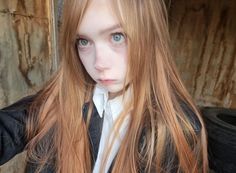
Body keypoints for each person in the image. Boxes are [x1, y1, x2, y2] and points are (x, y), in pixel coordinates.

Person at [0, 0, 209, 172]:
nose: (99, 63)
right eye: (84, 41)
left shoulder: (178, 129)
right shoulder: (59, 101)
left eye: (117, 37)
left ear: (150, 36)